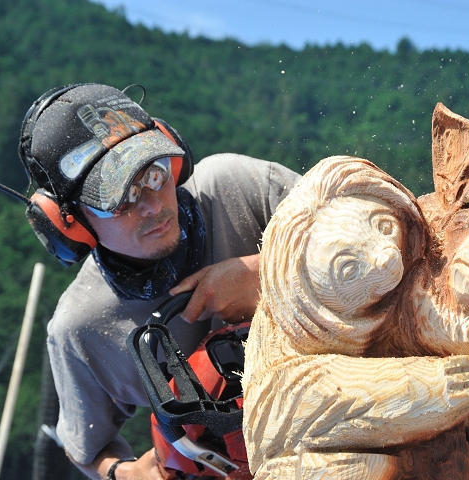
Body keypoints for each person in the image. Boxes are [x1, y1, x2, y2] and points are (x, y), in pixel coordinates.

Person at [19, 83, 301, 479]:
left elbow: (381, 234)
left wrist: (273, 273)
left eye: (153, 173)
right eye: (120, 196)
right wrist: (125, 472)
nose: (152, 204)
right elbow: (86, 448)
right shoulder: (80, 327)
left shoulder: (237, 189)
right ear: (70, 223)